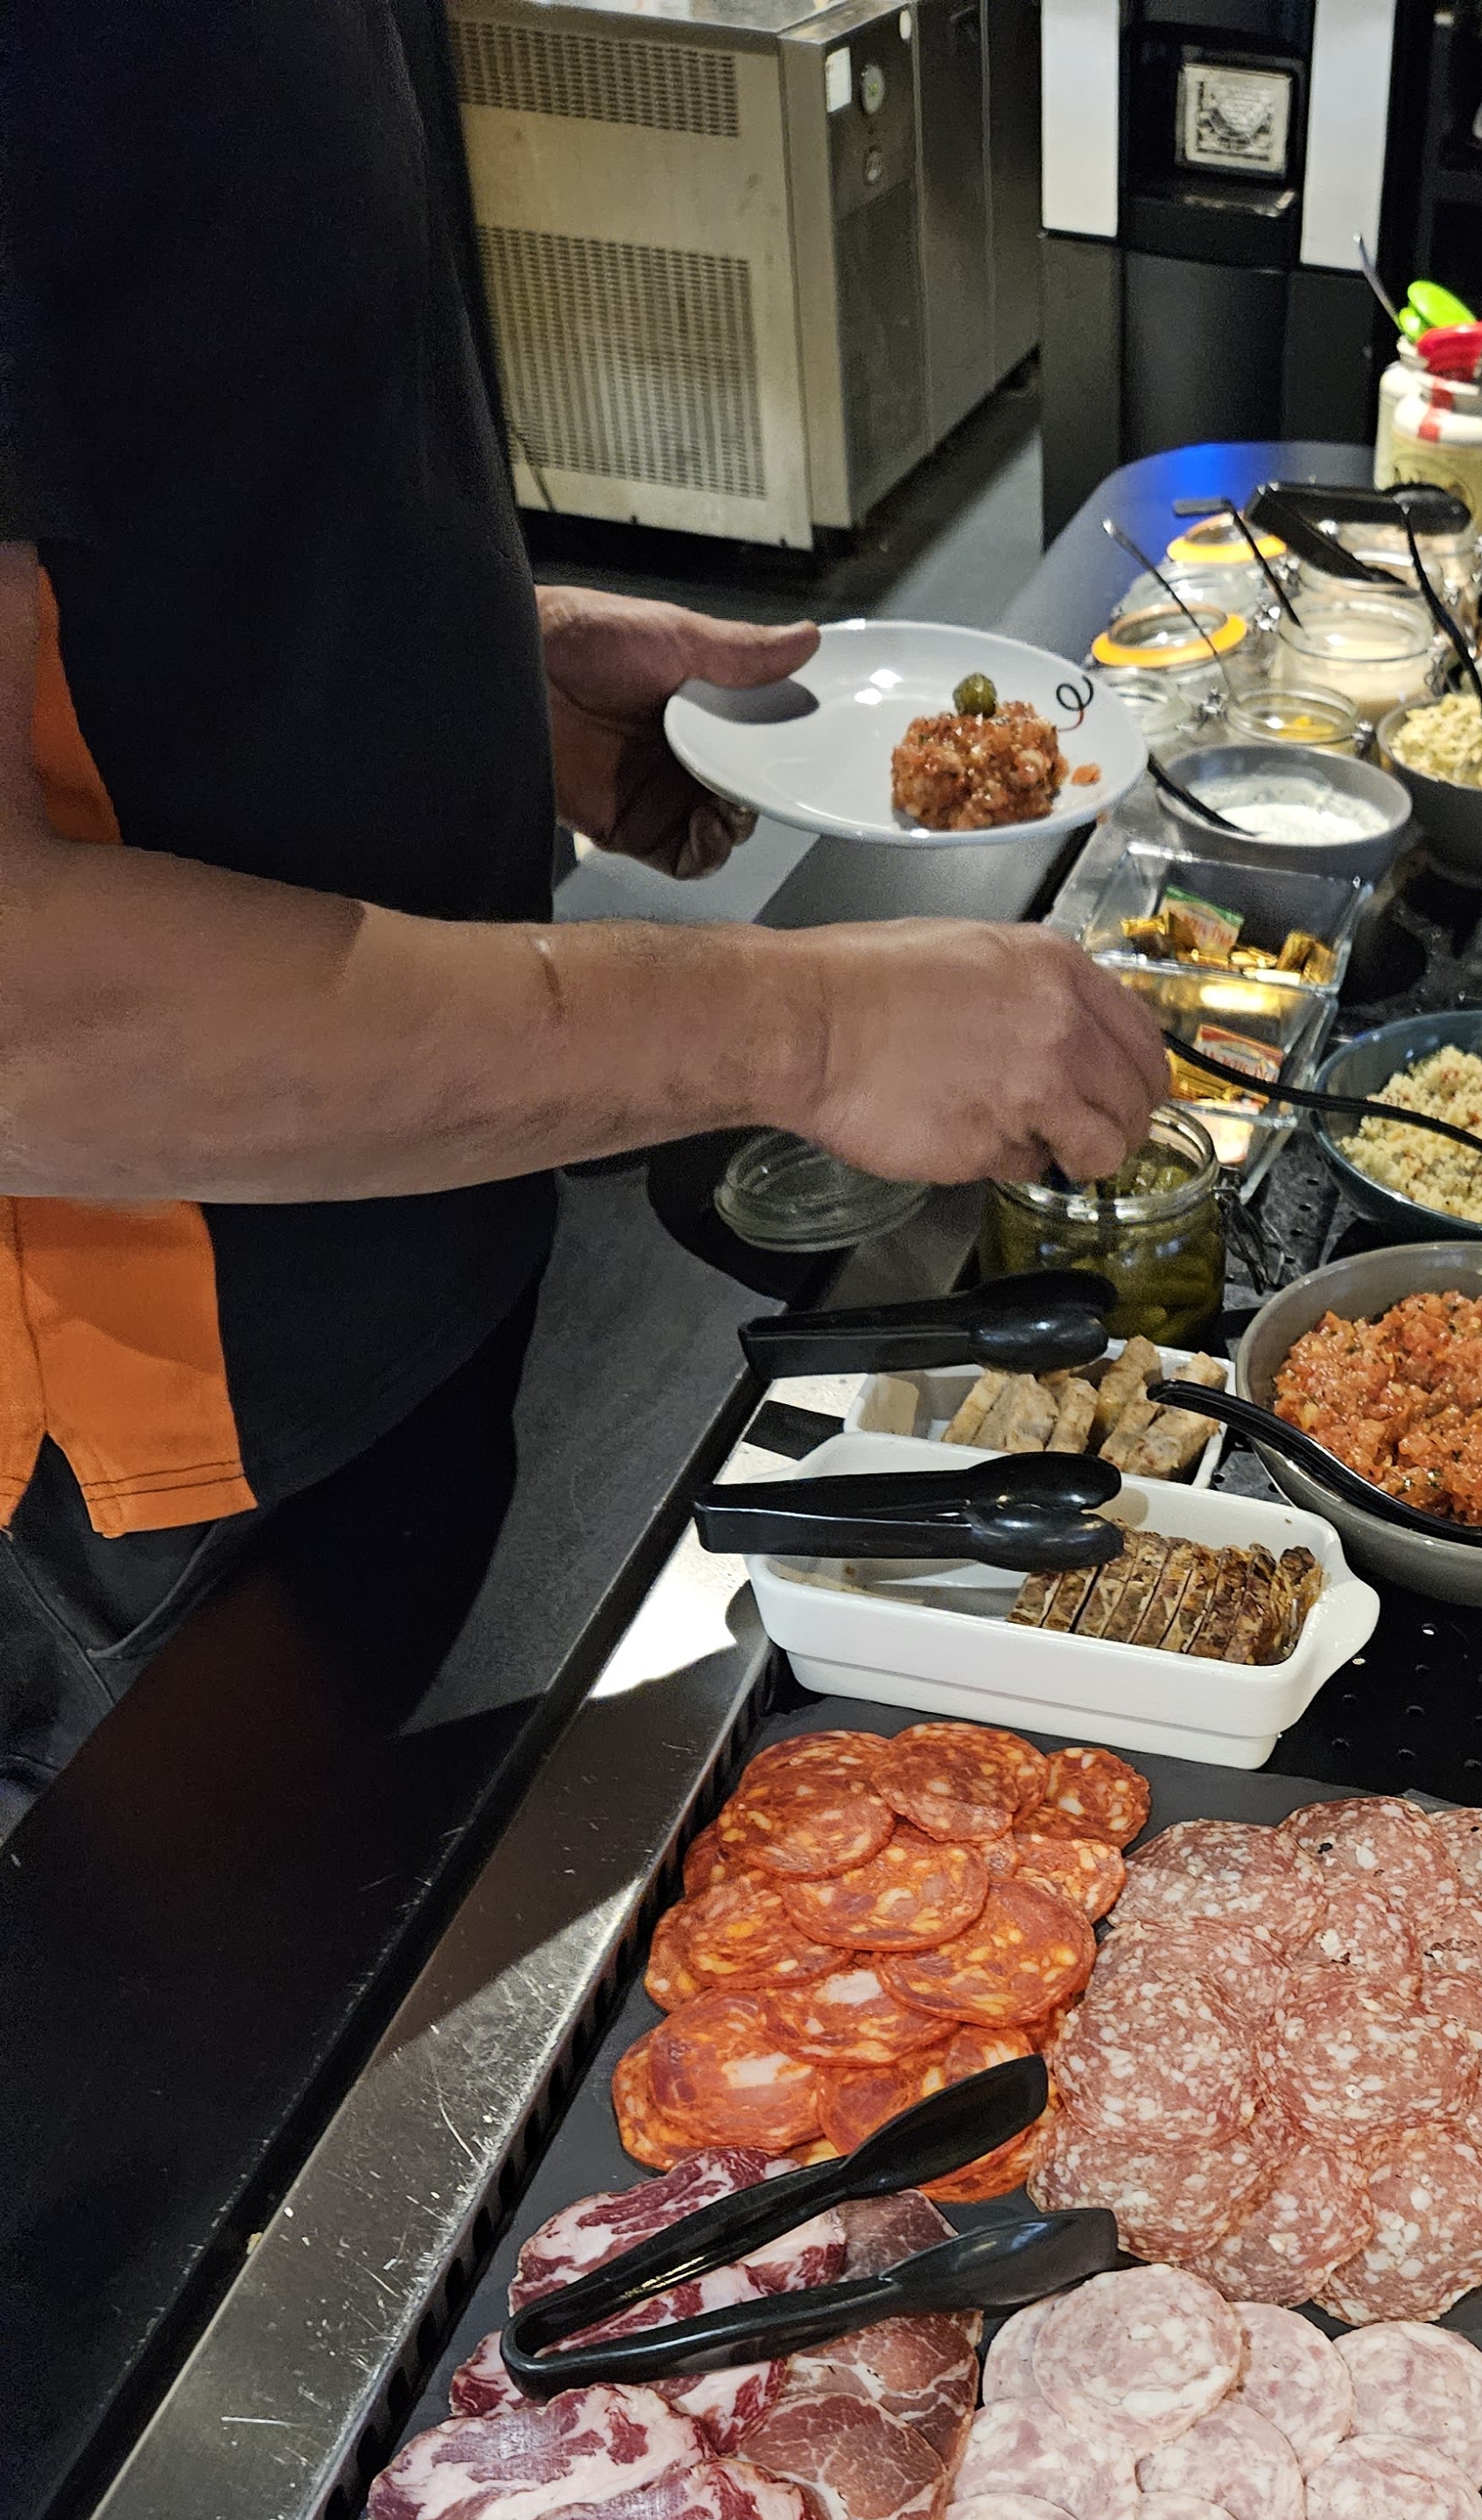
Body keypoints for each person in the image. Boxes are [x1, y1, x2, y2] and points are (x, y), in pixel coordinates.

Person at [0, 4, 1164, 1816]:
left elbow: (186, 453)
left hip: (447, 1226)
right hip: (170, 1458)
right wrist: (809, 1025)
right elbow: (28, 1015)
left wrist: (469, 671)